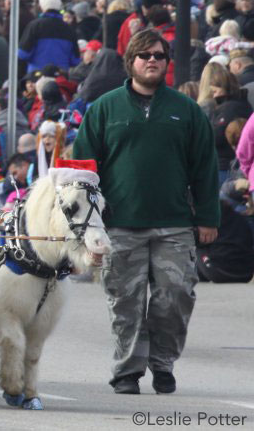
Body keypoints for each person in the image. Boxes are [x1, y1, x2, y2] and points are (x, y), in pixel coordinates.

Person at [72, 28, 219, 395]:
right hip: (119, 225)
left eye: (159, 56)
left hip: (174, 224)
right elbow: (82, 172)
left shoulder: (186, 111)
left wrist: (207, 217)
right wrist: (85, 227)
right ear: (131, 62)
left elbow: (205, 166)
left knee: (176, 297)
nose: (152, 60)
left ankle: (163, 363)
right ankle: (127, 371)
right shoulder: (104, 108)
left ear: (167, 63)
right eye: (144, 55)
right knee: (126, 302)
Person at [17, 0, 80, 73]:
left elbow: (23, 54)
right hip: (60, 77)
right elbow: (75, 60)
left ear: (41, 6)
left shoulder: (34, 26)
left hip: (37, 76)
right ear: (59, 5)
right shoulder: (69, 29)